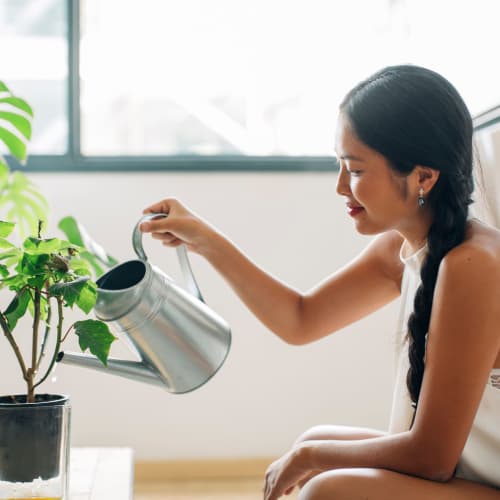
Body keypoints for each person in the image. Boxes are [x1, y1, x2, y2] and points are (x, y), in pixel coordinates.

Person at [140, 65, 500, 500]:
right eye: (339, 165)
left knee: (325, 486)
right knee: (316, 441)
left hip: (479, 482)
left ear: (424, 176)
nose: (340, 187)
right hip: (463, 478)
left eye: (356, 170)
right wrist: (204, 238)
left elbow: (432, 459)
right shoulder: (403, 248)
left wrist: (313, 457)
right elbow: (300, 319)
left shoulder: (472, 265)